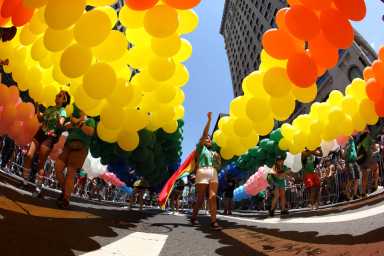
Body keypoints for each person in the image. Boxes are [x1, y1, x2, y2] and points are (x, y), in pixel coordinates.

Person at [21, 90, 70, 196]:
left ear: (64, 100)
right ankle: (24, 181)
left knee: (41, 163)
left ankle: (38, 188)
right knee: (29, 155)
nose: (57, 96)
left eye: (60, 96)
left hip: (50, 136)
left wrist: (59, 121)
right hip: (40, 133)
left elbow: (60, 125)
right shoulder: (50, 108)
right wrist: (37, 108)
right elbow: (40, 119)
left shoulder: (62, 111)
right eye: (57, 94)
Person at [55, 105, 96, 209]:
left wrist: (78, 123)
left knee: (70, 172)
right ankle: (65, 191)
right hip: (68, 146)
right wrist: (67, 125)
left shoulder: (90, 120)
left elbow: (90, 132)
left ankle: (66, 199)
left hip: (80, 148)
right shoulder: (72, 120)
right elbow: (64, 127)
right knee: (57, 167)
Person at [191, 112, 222, 231]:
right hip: (202, 172)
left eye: (210, 138)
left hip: (213, 172)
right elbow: (204, 135)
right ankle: (194, 216)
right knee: (200, 199)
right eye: (206, 138)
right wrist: (209, 120)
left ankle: (214, 222)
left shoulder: (214, 152)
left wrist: (218, 160)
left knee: (212, 197)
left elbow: (219, 165)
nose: (208, 139)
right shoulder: (200, 148)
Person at [344, 136, 360, 200]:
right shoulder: (344, 143)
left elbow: (351, 136)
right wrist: (345, 149)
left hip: (355, 161)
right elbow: (344, 156)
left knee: (357, 178)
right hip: (349, 162)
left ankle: (355, 194)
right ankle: (347, 195)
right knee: (351, 179)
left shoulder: (352, 141)